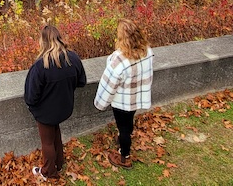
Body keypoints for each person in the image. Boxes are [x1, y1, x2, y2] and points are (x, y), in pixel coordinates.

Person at [24, 25, 87, 180]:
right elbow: (82, 81)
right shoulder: (73, 58)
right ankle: (58, 163)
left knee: (47, 142)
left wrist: (33, 108)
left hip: (46, 112)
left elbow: (31, 96)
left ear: (43, 41)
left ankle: (49, 173)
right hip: (64, 108)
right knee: (55, 133)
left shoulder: (40, 66)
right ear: (59, 38)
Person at [93, 18, 154, 169]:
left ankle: (124, 157)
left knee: (124, 128)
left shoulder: (119, 60)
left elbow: (108, 85)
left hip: (122, 101)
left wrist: (100, 103)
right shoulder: (146, 51)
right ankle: (123, 139)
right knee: (129, 122)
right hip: (136, 97)